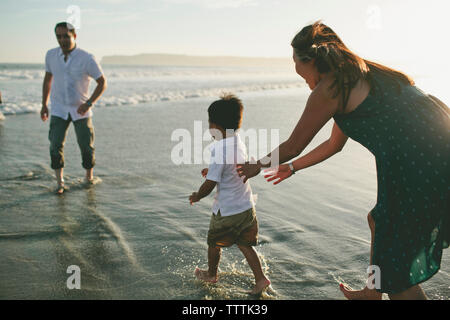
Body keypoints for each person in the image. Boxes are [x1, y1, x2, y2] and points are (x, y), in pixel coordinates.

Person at [237, 21, 449, 300]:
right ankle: (372, 291)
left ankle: (384, 289)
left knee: (398, 274)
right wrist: (292, 168)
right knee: (378, 220)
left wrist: (256, 166)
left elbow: (293, 145)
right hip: (436, 145)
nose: (299, 73)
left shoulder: (330, 89)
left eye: (297, 65)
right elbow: (333, 145)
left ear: (311, 60)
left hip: (416, 161)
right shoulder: (359, 74)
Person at [189, 94, 271, 295]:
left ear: (215, 126)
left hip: (226, 211)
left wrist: (197, 195)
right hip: (245, 207)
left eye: (209, 123)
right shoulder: (238, 141)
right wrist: (214, 171)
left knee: (213, 243)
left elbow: (209, 185)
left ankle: (211, 273)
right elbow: (231, 167)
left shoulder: (218, 149)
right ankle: (260, 279)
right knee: (245, 245)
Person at [40, 22, 107, 194]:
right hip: (58, 109)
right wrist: (44, 105)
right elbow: (48, 79)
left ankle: (88, 177)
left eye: (66, 36)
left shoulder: (87, 58)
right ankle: (60, 182)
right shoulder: (51, 55)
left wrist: (89, 103)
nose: (62, 40)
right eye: (59, 36)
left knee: (86, 146)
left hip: (81, 110)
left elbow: (102, 83)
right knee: (55, 145)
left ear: (74, 36)